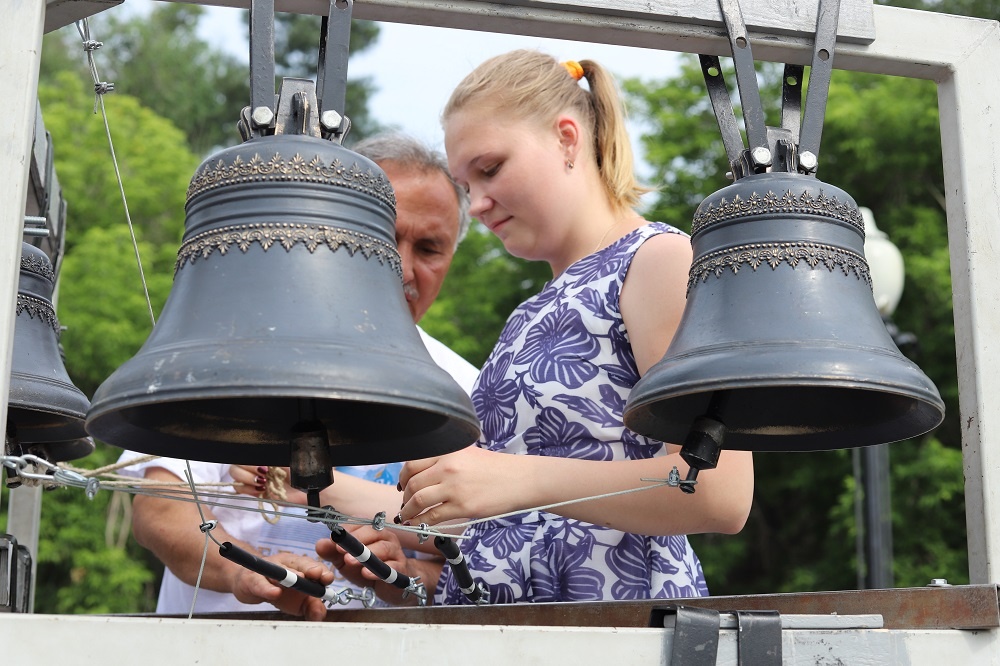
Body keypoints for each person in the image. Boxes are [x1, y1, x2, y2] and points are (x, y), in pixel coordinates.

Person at [324, 50, 755, 607]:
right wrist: (301, 483)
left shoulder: (660, 262)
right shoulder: (532, 312)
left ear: (567, 138)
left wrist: (515, 478)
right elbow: (496, 519)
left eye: (491, 168)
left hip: (609, 631)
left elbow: (719, 493)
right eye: (466, 183)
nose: (476, 204)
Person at [117, 132, 476, 619]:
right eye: (384, 239)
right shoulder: (218, 351)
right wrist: (243, 573)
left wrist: (402, 577)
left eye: (431, 248)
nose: (404, 270)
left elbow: (470, 560)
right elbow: (159, 508)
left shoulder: (467, 389)